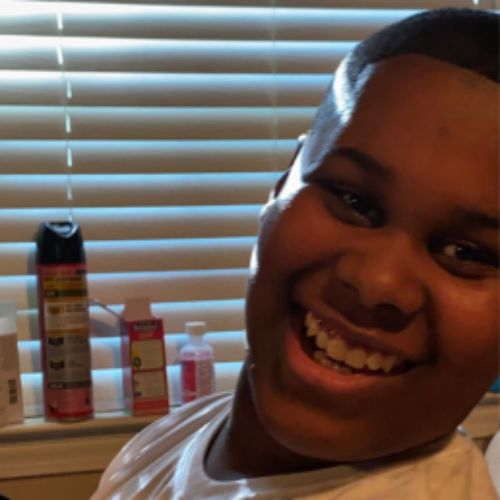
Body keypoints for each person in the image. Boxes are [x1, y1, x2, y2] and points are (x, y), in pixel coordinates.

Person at [92, 8, 499, 499]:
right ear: (285, 179)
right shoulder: (182, 435)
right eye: (355, 201)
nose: (377, 283)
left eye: (466, 251)